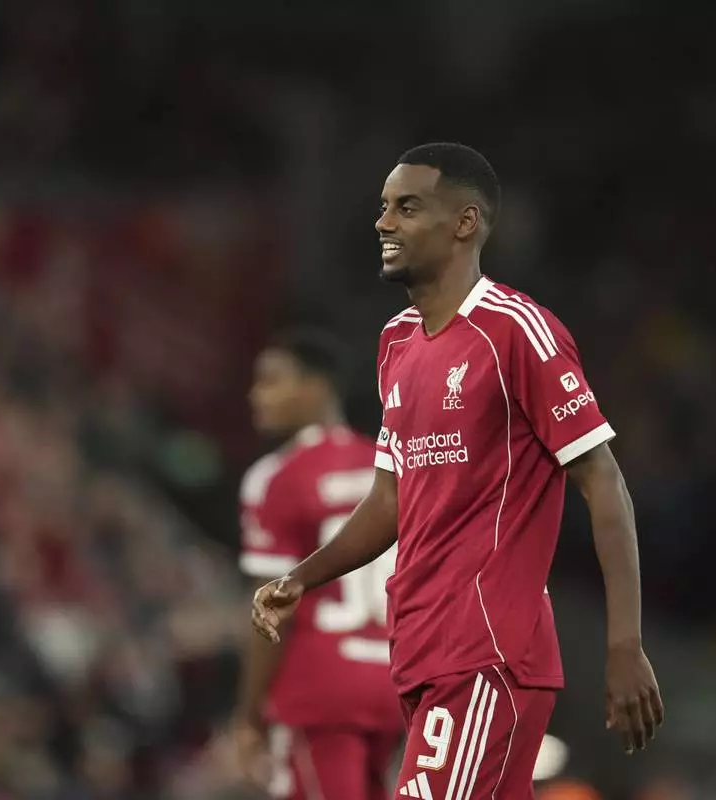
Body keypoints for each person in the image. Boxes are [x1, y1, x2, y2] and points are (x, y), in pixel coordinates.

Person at [252, 143, 664, 798]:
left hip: (487, 651)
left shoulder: (517, 331)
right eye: (384, 207)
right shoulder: (395, 342)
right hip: (419, 650)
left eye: (407, 207)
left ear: (465, 223)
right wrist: (303, 577)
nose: (384, 222)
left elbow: (602, 480)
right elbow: (389, 500)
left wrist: (624, 644)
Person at [234, 329, 404, 800]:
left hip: (320, 690)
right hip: (394, 680)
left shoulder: (277, 477)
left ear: (317, 387)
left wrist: (248, 715)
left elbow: (271, 609)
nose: (256, 396)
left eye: (271, 381)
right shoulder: (390, 469)